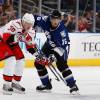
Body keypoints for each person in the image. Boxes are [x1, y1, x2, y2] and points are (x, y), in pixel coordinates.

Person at [34, 10, 79, 94]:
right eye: (53, 19)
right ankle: (46, 84)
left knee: (61, 65)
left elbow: (62, 48)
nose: (55, 21)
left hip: (62, 47)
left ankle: (73, 85)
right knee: (38, 62)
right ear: (50, 18)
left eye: (57, 19)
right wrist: (30, 29)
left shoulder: (62, 32)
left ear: (60, 20)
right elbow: (33, 19)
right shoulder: (45, 20)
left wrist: (53, 57)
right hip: (49, 44)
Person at [0, 13, 36, 95]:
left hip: (13, 43)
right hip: (2, 40)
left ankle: (15, 82)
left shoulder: (31, 30)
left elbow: (30, 47)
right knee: (11, 59)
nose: (29, 26)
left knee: (21, 59)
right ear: (23, 21)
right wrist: (20, 36)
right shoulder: (15, 24)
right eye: (27, 23)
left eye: (31, 24)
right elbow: (6, 38)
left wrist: (37, 55)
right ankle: (6, 84)